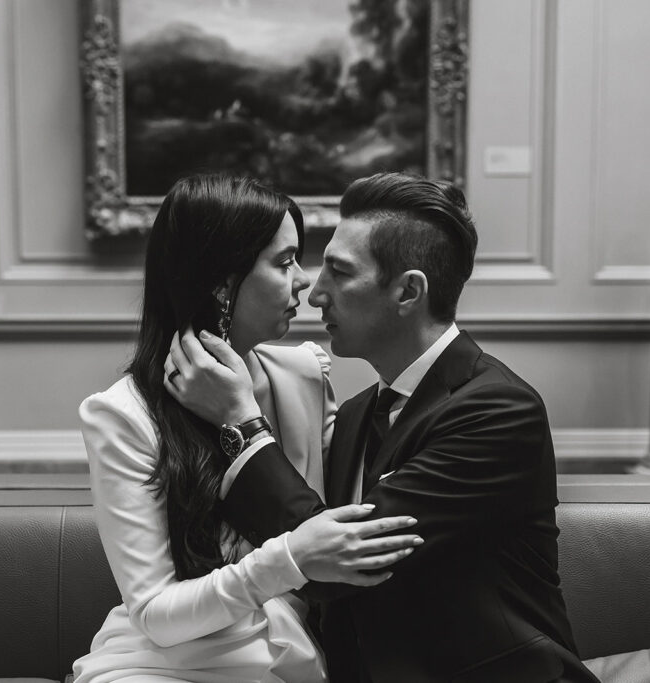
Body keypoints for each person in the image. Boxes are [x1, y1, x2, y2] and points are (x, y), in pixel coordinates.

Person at [167, 173, 600, 682]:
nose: (315, 294)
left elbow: (343, 562)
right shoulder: (354, 415)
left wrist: (240, 421)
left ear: (408, 291)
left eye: (340, 273)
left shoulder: (498, 412)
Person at [72, 174, 421, 683]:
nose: (305, 281)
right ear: (220, 281)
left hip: (288, 654)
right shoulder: (122, 414)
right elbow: (155, 615)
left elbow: (331, 518)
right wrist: (291, 558)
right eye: (284, 263)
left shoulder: (304, 374)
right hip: (161, 664)